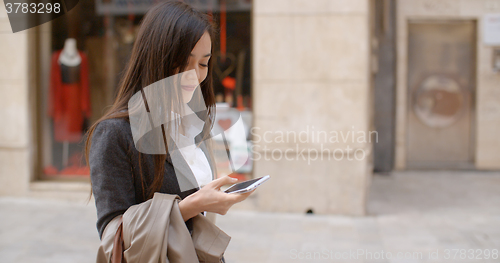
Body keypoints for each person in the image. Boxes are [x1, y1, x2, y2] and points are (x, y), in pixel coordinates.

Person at [84, 0, 254, 257]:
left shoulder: (195, 123)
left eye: (203, 63)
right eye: (184, 62)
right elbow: (114, 237)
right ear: (156, 57)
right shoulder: (114, 134)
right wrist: (189, 206)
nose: (194, 75)